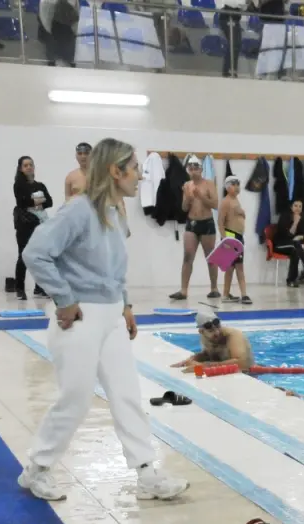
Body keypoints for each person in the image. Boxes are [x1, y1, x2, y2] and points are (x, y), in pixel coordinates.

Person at [20, 137, 189, 502]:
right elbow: (35, 253)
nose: (140, 176)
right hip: (80, 317)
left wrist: (124, 305)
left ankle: (146, 473)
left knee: (127, 394)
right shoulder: (78, 210)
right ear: (115, 171)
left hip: (110, 315)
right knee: (76, 399)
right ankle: (37, 468)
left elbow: (112, 266)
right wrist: (64, 298)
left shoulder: (114, 212)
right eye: (135, 169)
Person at [172, 157, 220, 300]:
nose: (193, 171)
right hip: (191, 223)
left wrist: (201, 196)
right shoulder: (187, 185)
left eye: (196, 168)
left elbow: (215, 204)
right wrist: (188, 198)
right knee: (187, 256)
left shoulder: (209, 184)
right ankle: (183, 290)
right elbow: (184, 208)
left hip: (207, 223)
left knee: (211, 257)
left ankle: (214, 288)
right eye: (190, 169)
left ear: (201, 169)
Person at [13, 156, 52, 301]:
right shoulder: (18, 185)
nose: (29, 167)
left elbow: (49, 201)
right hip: (25, 224)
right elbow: (23, 202)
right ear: (20, 169)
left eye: (31, 165)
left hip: (41, 223)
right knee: (23, 255)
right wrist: (39, 200)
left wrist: (34, 201)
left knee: (41, 255)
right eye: (25, 165)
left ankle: (40, 287)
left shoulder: (40, 185)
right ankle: (19, 288)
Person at [171, 307, 255, 372]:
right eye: (211, 331)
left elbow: (242, 363)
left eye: (218, 327)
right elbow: (209, 355)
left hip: (249, 374)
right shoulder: (205, 338)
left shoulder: (234, 335)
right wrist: (191, 360)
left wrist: (204, 366)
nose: (217, 332)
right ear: (201, 332)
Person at [218, 175, 251, 305]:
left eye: (238, 184)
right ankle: (244, 294)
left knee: (232, 267)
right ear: (227, 187)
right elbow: (220, 222)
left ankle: (226, 294)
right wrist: (224, 240)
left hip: (238, 236)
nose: (237, 187)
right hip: (230, 236)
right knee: (238, 267)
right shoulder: (226, 202)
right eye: (234, 184)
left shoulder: (235, 200)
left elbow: (237, 217)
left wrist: (242, 213)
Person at [275, 199, 304, 287]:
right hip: (280, 245)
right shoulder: (284, 217)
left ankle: (292, 280)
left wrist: (298, 238)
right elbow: (286, 235)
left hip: (294, 246)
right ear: (291, 207)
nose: (298, 208)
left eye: (300, 206)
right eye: (295, 206)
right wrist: (295, 223)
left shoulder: (303, 218)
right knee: (295, 246)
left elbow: (303, 235)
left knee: (295, 251)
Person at [217, 1, 244, 77]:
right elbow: (232, 3)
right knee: (234, 43)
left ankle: (232, 70)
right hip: (228, 15)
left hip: (235, 16)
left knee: (236, 44)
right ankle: (228, 71)